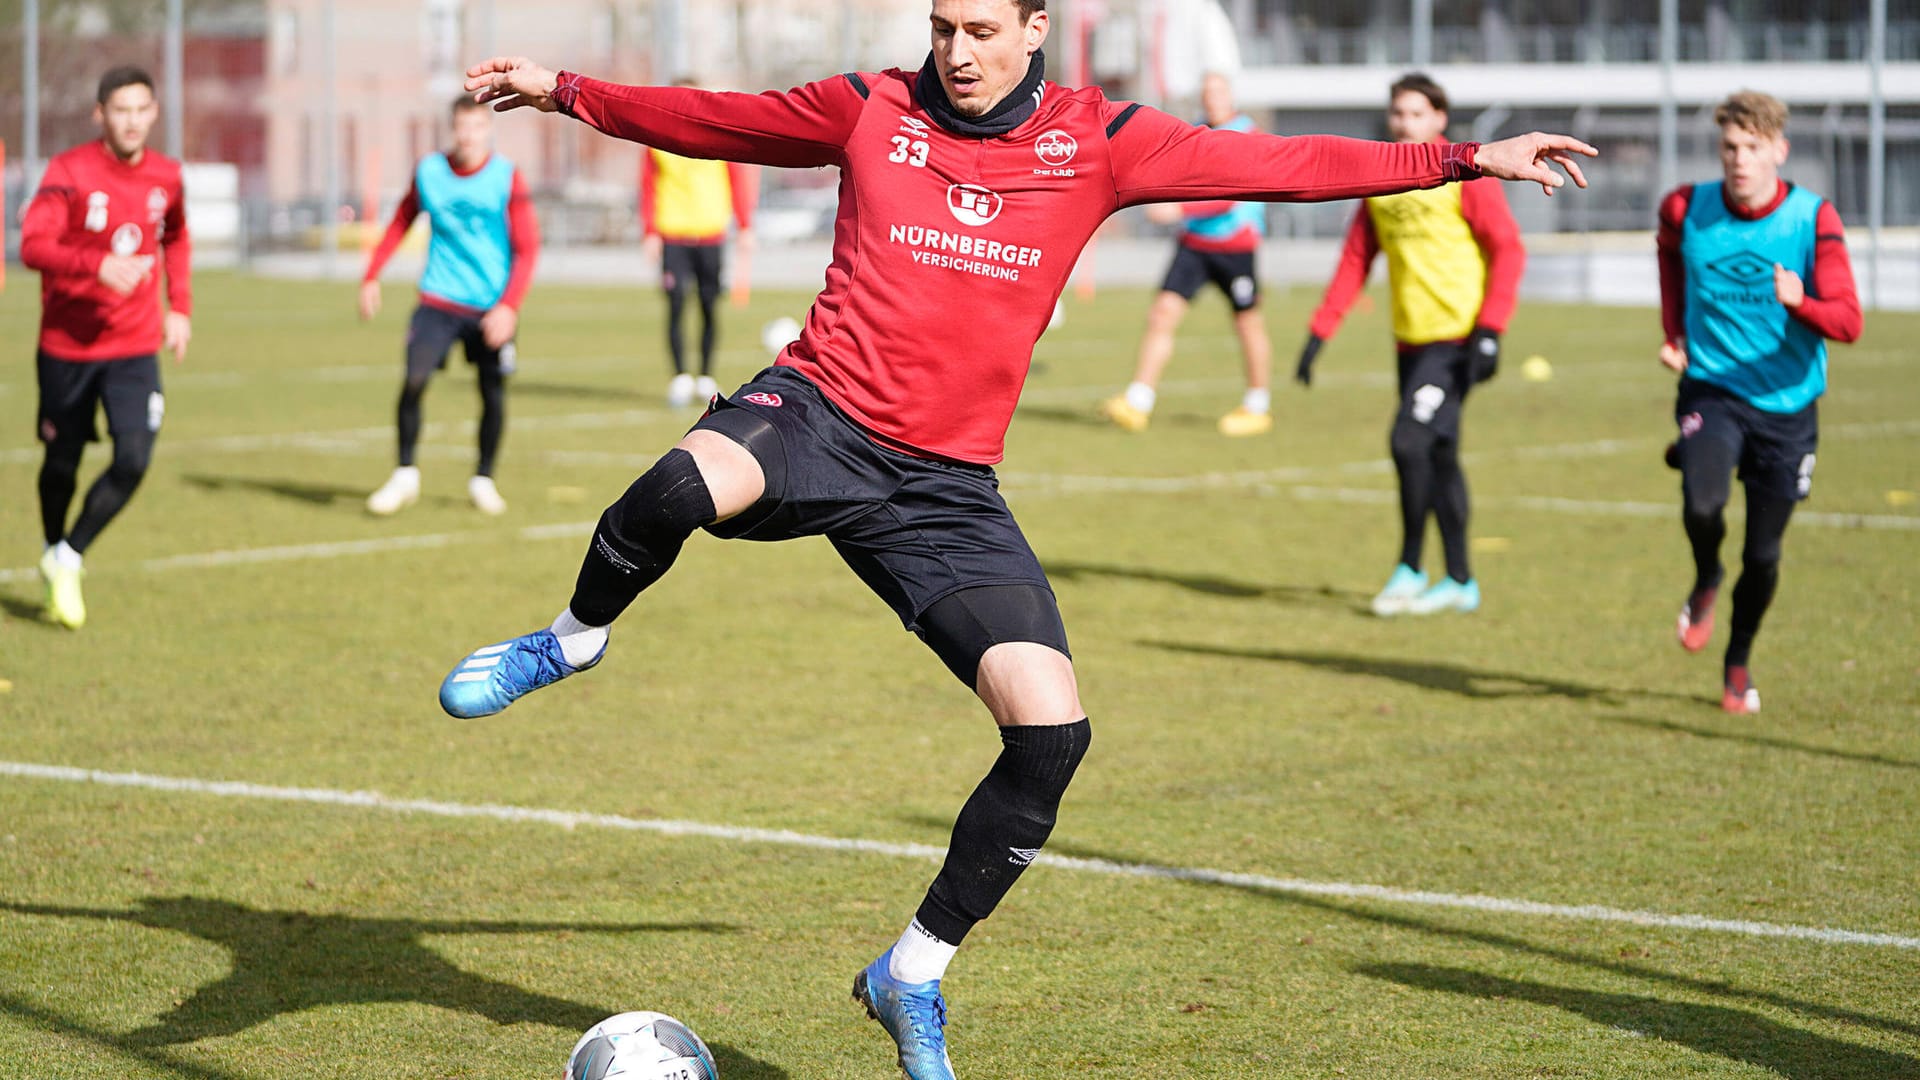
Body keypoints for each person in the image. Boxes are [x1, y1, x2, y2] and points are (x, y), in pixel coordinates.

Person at [446, 5, 1592, 1075]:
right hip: (820, 417)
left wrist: (1458, 157)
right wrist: (565, 92)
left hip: (945, 490)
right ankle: (572, 638)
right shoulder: (871, 106)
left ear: (1037, 29)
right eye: (941, 25)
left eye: (982, 28)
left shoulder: (1103, 138)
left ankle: (912, 973)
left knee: (1051, 736)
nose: (957, 48)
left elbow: (1279, 164)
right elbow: (717, 121)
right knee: (675, 486)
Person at [1656, 90, 1861, 715]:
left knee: (1764, 554)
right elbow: (1668, 259)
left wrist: (1801, 302)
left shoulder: (1812, 219)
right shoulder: (1686, 207)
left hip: (1787, 407)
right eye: (1729, 148)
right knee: (1703, 501)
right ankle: (1705, 578)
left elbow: (1848, 322)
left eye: (1752, 148)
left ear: (1779, 150)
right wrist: (1674, 332)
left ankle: (1737, 663)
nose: (1739, 160)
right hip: (1714, 390)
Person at [1296, 73, 1526, 618]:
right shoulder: (1381, 182)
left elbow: (1509, 250)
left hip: (1458, 340)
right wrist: (1320, 332)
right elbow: (1356, 258)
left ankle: (1411, 567)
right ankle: (1460, 581)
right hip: (1410, 344)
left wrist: (1491, 330)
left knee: (1408, 442)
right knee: (1438, 455)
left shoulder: (1467, 175)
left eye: (1417, 114)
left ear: (1440, 120)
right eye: (1398, 114)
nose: (1405, 124)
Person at [20, 65, 191, 630]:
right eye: (121, 110)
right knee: (61, 464)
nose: (133, 121)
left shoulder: (168, 176)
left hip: (134, 345)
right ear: (101, 114)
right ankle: (51, 546)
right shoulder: (68, 171)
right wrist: (98, 264)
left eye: (143, 109)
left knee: (134, 457)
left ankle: (68, 555)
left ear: (155, 113)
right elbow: (33, 244)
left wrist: (180, 308)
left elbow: (177, 236)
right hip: (66, 347)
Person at [360, 95, 540, 517]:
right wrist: (372, 274)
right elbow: (402, 219)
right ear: (453, 128)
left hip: (491, 306)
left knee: (492, 392)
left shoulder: (506, 177)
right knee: (414, 379)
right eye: (462, 126)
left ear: (488, 130)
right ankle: (405, 474)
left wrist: (509, 307)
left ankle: (483, 478)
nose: (469, 135)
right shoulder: (430, 172)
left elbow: (528, 249)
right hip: (439, 299)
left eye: (477, 127)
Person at [1100, 72, 1274, 437]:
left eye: (1219, 91)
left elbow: (1234, 193)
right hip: (1194, 245)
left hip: (1235, 247)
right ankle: (1138, 401)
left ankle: (1257, 405)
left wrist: (1180, 212)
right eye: (1207, 92)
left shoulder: (1248, 134)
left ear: (1231, 96)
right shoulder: (1196, 132)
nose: (1212, 98)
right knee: (1162, 313)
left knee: (1247, 323)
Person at [641, 77, 759, 408]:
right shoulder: (656, 140)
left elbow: (736, 181)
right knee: (676, 302)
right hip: (673, 235)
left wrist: (746, 225)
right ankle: (680, 376)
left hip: (711, 235)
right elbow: (647, 186)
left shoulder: (717, 135)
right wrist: (649, 231)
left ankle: (705, 374)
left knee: (709, 305)